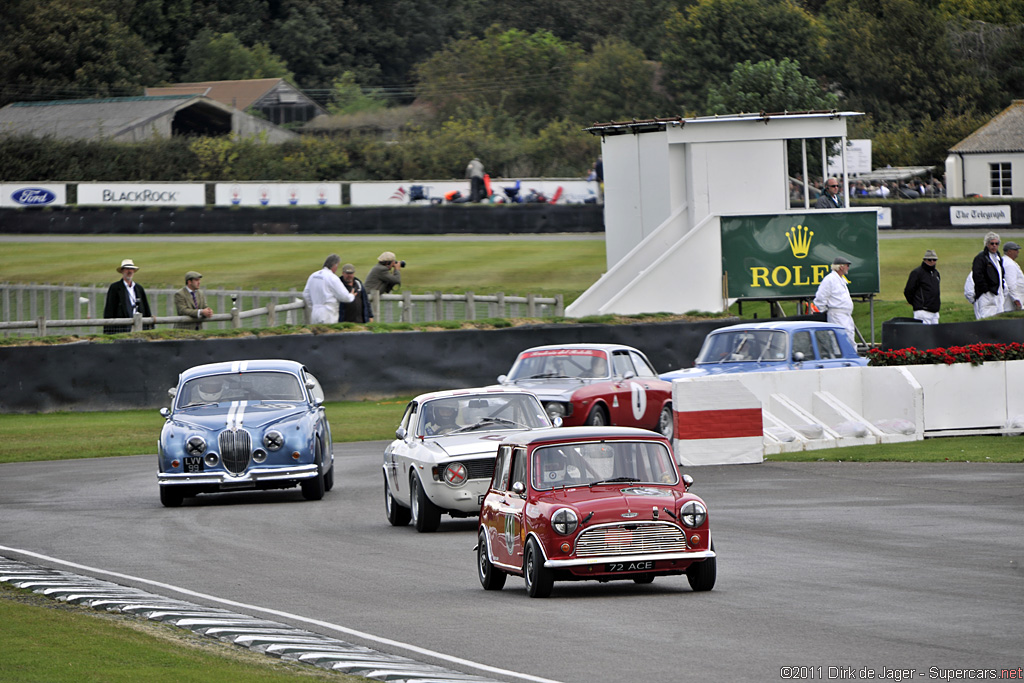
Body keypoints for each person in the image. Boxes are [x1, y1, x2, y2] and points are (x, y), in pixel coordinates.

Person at [813, 256, 856, 346]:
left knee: (850, 338)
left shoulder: (842, 280)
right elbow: (820, 297)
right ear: (841, 267)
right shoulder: (829, 279)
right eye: (847, 265)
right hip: (836, 314)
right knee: (840, 339)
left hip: (846, 315)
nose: (848, 267)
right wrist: (823, 310)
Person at [103, 258, 153, 334]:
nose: (129, 271)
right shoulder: (115, 288)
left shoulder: (139, 288)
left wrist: (149, 329)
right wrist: (108, 331)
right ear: (122, 271)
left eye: (131, 269)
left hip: (138, 327)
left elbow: (146, 309)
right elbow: (110, 310)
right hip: (121, 328)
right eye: (127, 269)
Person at [302, 254, 355, 324]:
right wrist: (351, 295)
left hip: (315, 312)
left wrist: (313, 306)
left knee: (316, 332)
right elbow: (344, 297)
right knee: (329, 334)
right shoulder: (332, 277)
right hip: (328, 313)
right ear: (335, 265)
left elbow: (306, 294)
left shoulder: (313, 275)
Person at [971, 232, 1005, 319]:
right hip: (986, 295)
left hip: (998, 294)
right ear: (987, 244)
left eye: (996, 243)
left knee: (999, 318)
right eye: (992, 243)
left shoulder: (998, 258)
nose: (994, 246)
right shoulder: (981, 258)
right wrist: (986, 290)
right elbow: (977, 275)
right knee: (987, 318)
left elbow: (1001, 274)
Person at [903, 249, 941, 324]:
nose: (932, 261)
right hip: (922, 311)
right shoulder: (917, 273)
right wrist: (917, 303)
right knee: (924, 334)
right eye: (930, 260)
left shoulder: (936, 273)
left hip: (935, 311)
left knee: (934, 335)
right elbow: (908, 291)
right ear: (924, 260)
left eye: (934, 259)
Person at [1002, 241, 1023, 312]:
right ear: (1009, 251)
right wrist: (1016, 301)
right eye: (1016, 250)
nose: (1018, 252)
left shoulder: (1007, 261)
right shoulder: (1009, 264)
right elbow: (1011, 284)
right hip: (1011, 303)